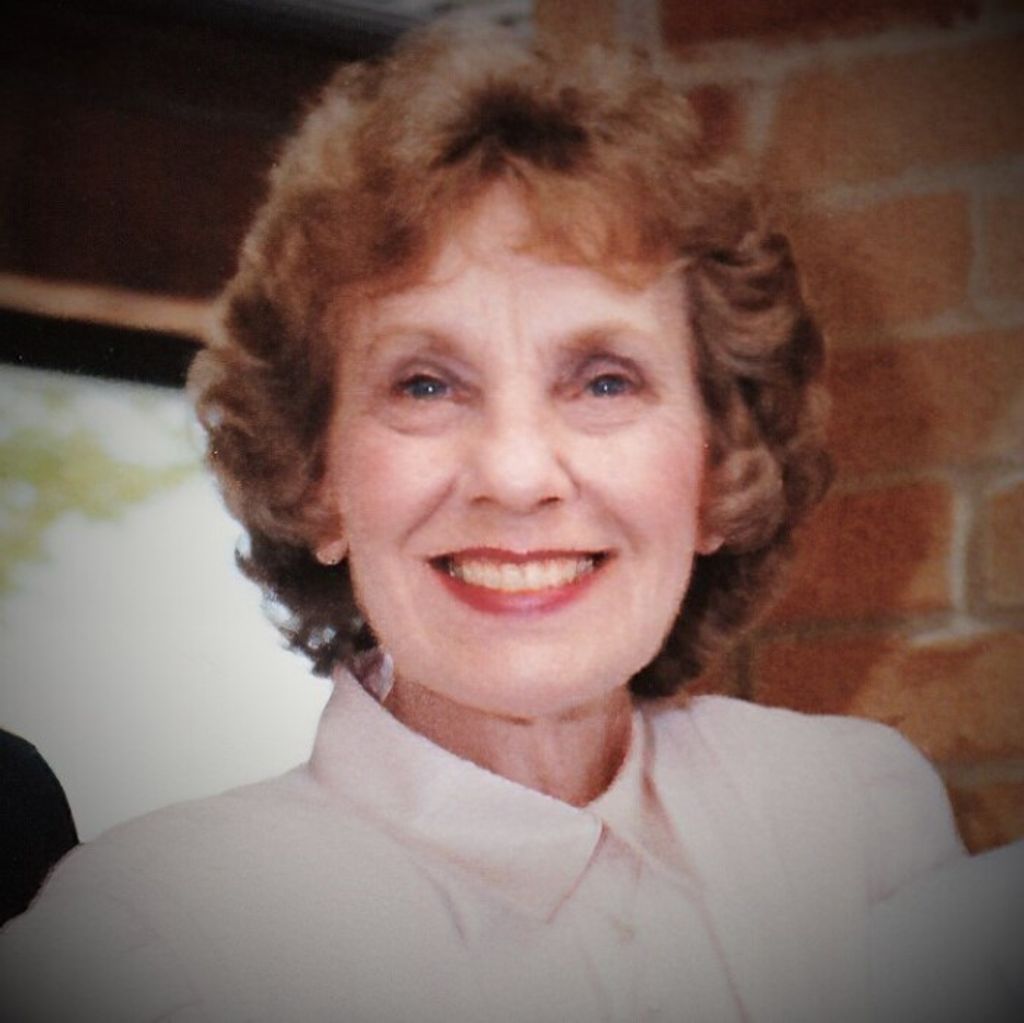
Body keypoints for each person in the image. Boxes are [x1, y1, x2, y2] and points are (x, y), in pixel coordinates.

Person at [1, 21, 1017, 1023]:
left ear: (718, 471)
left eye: (605, 380)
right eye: (427, 383)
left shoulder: (855, 816)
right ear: (315, 479)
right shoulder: (151, 944)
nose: (518, 475)